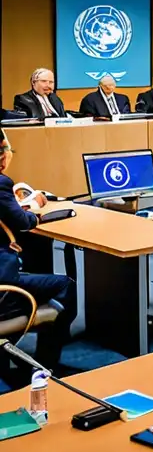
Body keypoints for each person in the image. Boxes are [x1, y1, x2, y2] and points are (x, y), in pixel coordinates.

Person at [0, 129, 77, 372]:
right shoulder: (1, 182)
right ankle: (42, 366)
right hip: (3, 283)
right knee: (66, 285)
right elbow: (24, 222)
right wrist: (32, 213)